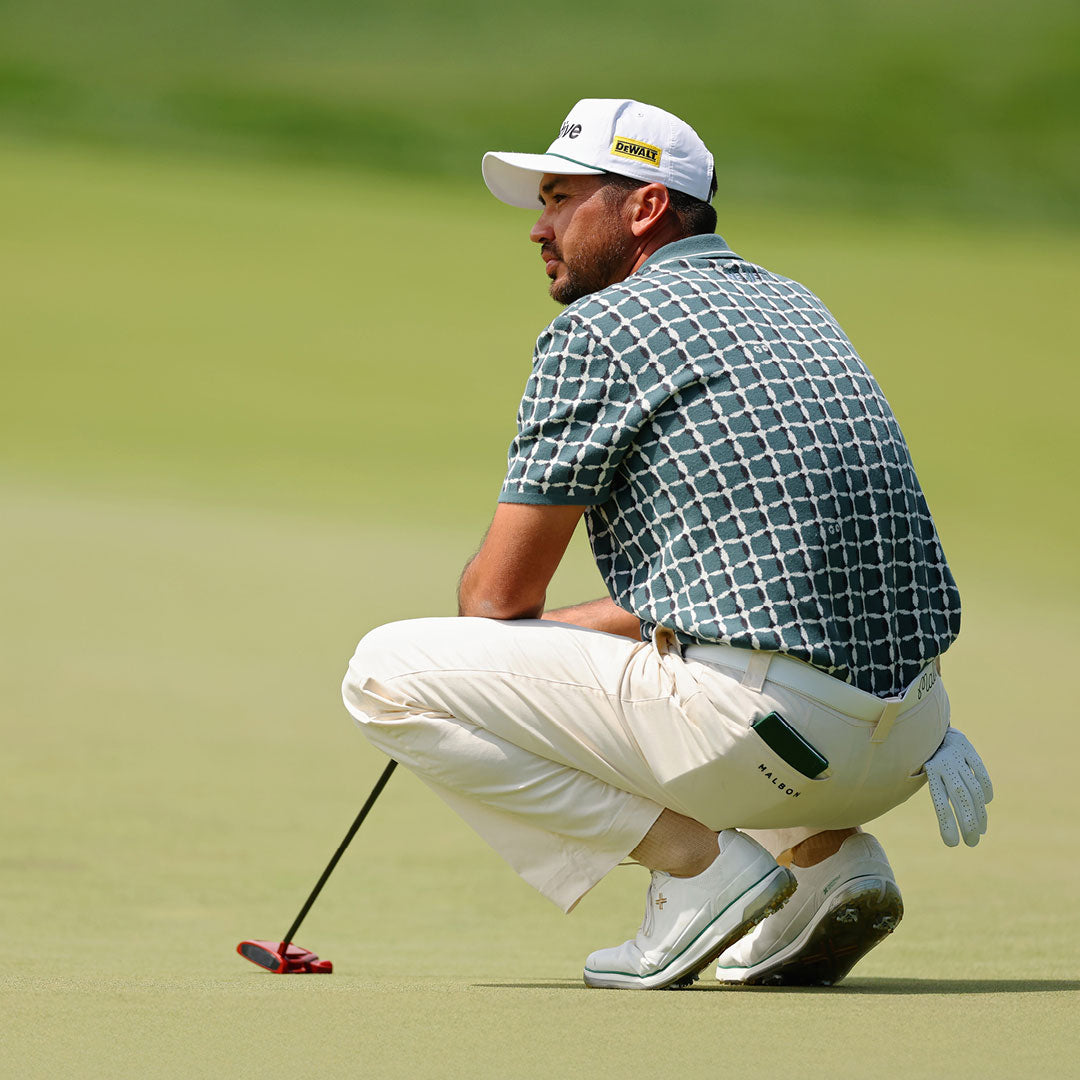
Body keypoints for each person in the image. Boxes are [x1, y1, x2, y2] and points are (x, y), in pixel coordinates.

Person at [341, 98, 993, 990]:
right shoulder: (795, 303)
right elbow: (753, 566)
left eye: (563, 196)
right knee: (686, 655)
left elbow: (494, 603)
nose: (539, 227)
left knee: (386, 672)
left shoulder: (598, 330)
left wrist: (523, 642)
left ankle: (696, 871)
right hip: (919, 733)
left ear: (646, 207)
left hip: (770, 738)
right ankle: (825, 863)